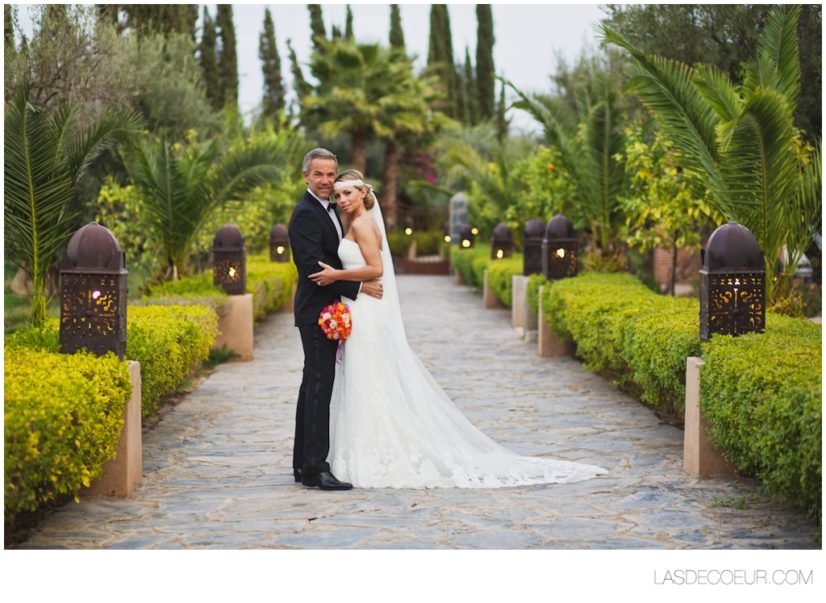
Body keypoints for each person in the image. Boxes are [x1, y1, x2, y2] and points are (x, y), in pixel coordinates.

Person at [308, 170, 607, 488]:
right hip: (363, 308)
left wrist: (337, 276)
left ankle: (375, 454)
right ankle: (363, 450)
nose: (341, 200)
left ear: (362, 193)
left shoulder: (362, 224)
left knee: (369, 379)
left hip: (367, 314)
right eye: (338, 196)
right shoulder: (356, 223)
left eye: (347, 194)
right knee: (366, 378)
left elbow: (377, 269)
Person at [288, 149, 383, 491]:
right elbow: (314, 270)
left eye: (331, 174)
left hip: (325, 311)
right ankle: (316, 468)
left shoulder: (330, 210)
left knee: (311, 388)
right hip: (317, 313)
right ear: (306, 176)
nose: (327, 181)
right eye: (319, 175)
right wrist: (358, 285)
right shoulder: (305, 214)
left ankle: (303, 463)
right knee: (318, 389)